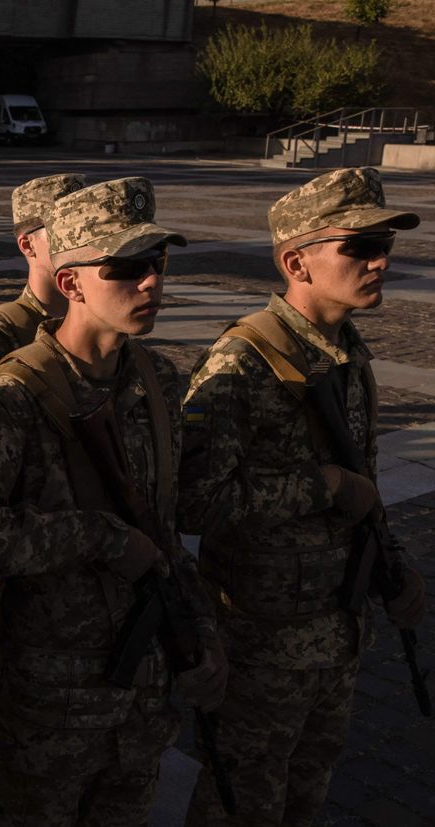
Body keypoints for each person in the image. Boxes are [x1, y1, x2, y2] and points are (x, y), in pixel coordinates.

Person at [0, 177, 227, 826]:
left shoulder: (157, 380)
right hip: (47, 713)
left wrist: (201, 631)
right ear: (70, 283)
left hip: (140, 704)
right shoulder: (18, 393)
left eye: (157, 262)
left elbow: (163, 526)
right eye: (125, 267)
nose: (150, 282)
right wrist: (96, 537)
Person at [179, 167, 427, 827]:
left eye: (385, 246)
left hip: (335, 635)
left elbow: (364, 485)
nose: (379, 261)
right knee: (239, 806)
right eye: (358, 247)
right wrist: (322, 486)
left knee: (303, 801)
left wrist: (392, 563)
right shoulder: (242, 363)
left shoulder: (349, 353)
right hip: (261, 647)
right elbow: (193, 502)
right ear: (297, 261)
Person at [0, 173, 86, 420]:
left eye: (83, 227)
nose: (76, 240)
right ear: (27, 245)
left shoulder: (100, 319)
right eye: (61, 229)